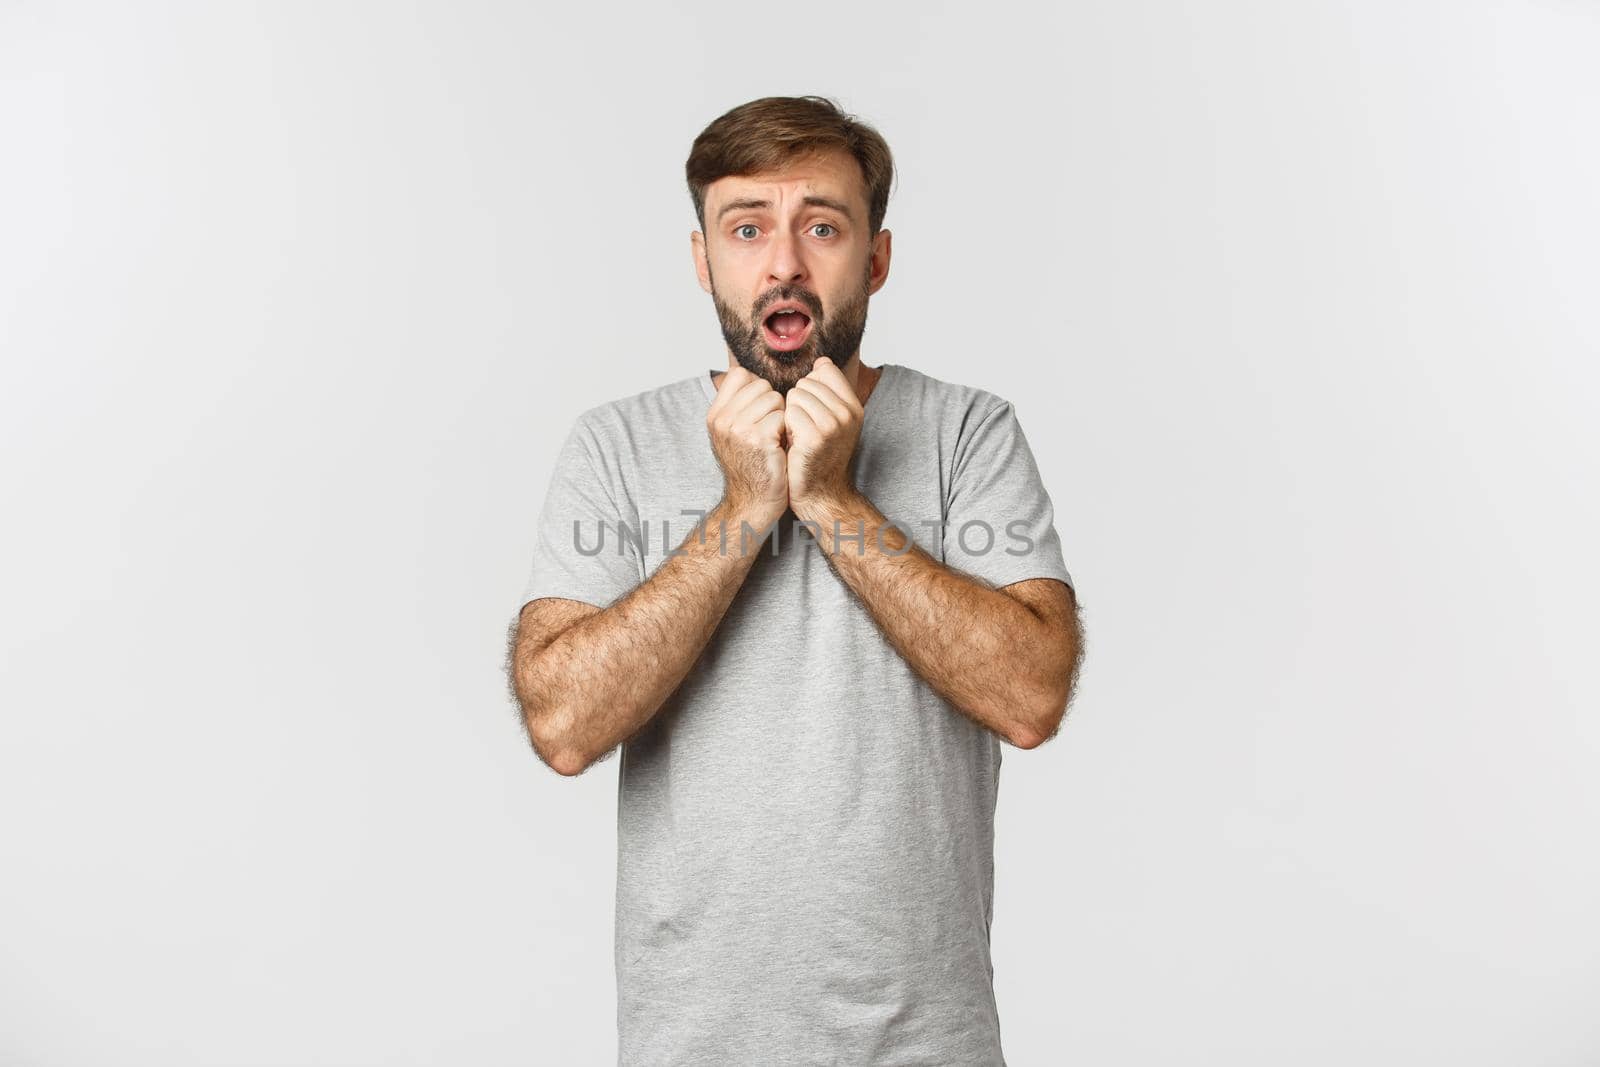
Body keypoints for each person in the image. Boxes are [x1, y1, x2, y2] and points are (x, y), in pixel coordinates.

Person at [507, 95, 1085, 1065]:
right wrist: (742, 509)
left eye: (822, 225)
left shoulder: (967, 432)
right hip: (693, 1040)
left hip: (922, 1040)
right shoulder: (616, 444)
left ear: (876, 258)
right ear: (702, 260)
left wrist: (829, 501)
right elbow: (562, 726)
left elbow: (1028, 696)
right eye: (746, 229)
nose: (783, 263)